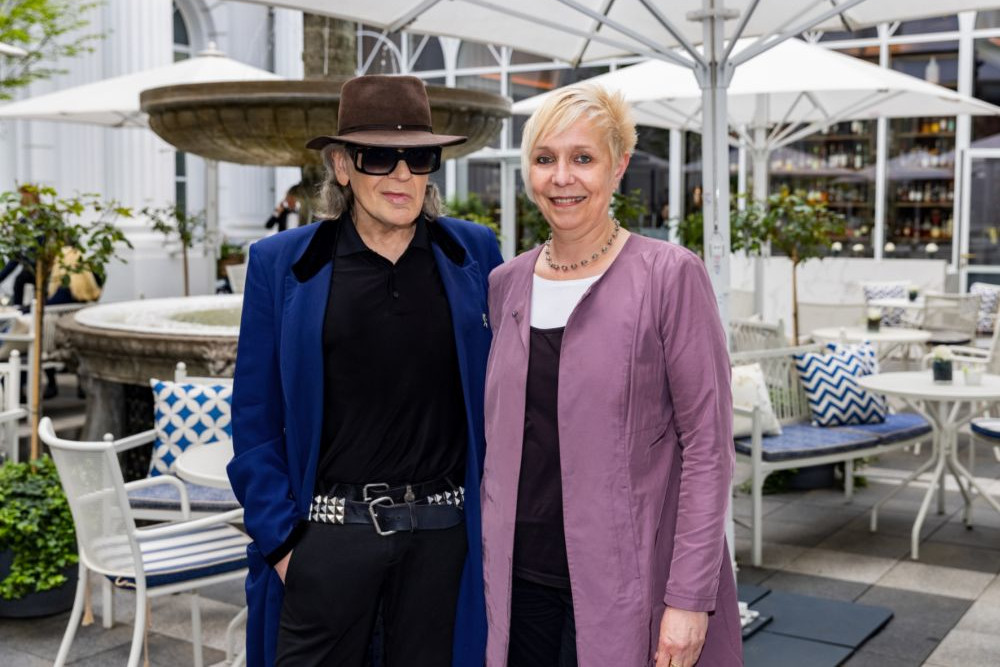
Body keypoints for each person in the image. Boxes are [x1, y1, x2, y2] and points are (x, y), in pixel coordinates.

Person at [227, 74, 503, 667]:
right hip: (326, 539)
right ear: (342, 166)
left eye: (418, 157)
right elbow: (254, 416)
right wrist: (284, 545)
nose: (402, 175)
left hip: (443, 543)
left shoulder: (474, 253)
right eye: (379, 156)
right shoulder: (282, 263)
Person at [482, 84, 742, 667]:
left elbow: (707, 448)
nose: (562, 178)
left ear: (618, 166)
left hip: (630, 584)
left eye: (583, 158)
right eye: (544, 159)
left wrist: (689, 598)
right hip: (521, 582)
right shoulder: (506, 285)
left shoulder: (669, 276)